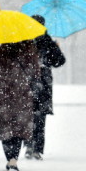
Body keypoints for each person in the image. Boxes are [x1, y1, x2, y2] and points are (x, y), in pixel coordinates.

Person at [0, 40, 40, 171]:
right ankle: (14, 159)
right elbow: (36, 74)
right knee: (18, 129)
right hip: (22, 96)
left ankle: (10, 159)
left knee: (5, 128)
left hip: (2, 96)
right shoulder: (29, 52)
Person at [24, 14, 66, 160]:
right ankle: (37, 149)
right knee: (40, 117)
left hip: (27, 82)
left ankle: (28, 146)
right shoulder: (48, 41)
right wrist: (55, 49)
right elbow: (60, 61)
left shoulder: (24, 40)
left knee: (28, 115)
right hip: (44, 83)